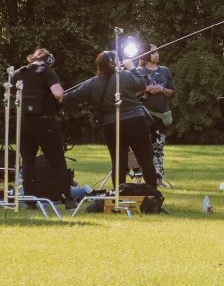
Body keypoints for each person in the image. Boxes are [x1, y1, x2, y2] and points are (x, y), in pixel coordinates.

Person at [63, 51, 158, 189]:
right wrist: (132, 68)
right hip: (135, 122)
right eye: (117, 59)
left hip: (110, 126)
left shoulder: (92, 83)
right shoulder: (125, 75)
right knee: (146, 161)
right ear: (113, 63)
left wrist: (54, 95)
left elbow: (69, 98)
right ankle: (153, 196)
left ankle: (119, 197)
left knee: (118, 163)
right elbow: (142, 85)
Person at [9, 48, 77, 210]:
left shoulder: (18, 73)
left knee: (28, 162)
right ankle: (67, 199)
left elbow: (11, 93)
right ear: (48, 60)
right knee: (57, 161)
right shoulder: (47, 72)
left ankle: (31, 202)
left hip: (25, 123)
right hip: (45, 123)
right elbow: (58, 93)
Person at [136, 44, 175, 187]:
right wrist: (146, 88)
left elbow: (172, 93)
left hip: (161, 115)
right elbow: (131, 93)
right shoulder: (138, 71)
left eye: (157, 52)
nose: (156, 55)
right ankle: (139, 180)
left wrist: (161, 89)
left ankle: (159, 179)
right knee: (142, 147)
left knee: (158, 148)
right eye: (153, 53)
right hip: (143, 115)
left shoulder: (165, 71)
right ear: (145, 56)